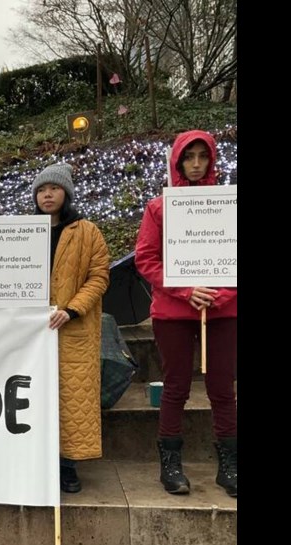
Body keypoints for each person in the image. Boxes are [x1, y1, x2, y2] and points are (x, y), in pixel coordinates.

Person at [135, 130, 237, 498]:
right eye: (188, 157)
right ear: (177, 162)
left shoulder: (230, 205)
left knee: (222, 387)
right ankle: (171, 462)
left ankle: (229, 463)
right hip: (174, 312)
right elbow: (146, 259)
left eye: (202, 156)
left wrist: (222, 295)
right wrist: (185, 290)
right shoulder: (159, 208)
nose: (195, 164)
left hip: (223, 311)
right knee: (175, 385)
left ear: (212, 160)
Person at [32, 164, 110, 493]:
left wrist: (72, 309)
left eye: (54, 188)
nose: (47, 194)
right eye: (41, 189)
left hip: (71, 328)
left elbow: (99, 275)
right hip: (32, 330)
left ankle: (67, 465)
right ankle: (37, 460)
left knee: (69, 397)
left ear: (66, 193)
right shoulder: (21, 232)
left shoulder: (87, 231)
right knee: (34, 395)